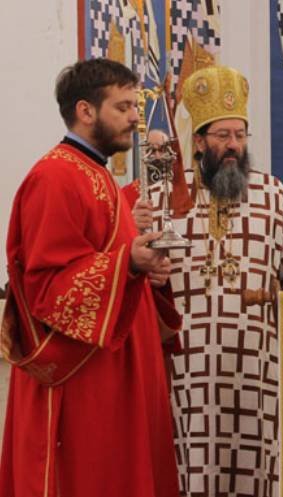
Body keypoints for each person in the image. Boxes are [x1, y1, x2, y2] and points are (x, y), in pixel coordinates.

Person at [0, 58, 180, 497]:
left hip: (120, 367)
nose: (135, 117)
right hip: (83, 377)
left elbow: (110, 258)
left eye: (135, 106)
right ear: (85, 110)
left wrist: (148, 272)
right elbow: (46, 289)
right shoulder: (55, 177)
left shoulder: (97, 172)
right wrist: (127, 265)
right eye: (123, 107)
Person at [141, 65, 283, 496]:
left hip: (258, 368)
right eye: (222, 135)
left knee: (257, 471)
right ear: (199, 141)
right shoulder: (166, 198)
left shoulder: (273, 195)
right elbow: (140, 283)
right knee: (190, 470)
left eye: (240, 134)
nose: (233, 144)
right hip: (188, 371)